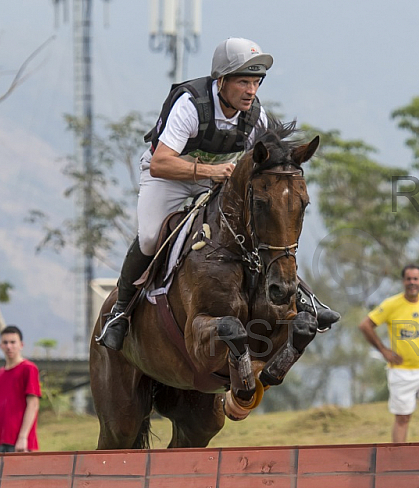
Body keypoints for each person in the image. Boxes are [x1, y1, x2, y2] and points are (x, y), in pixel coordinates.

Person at [97, 37, 338, 351]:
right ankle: (121, 312)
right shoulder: (191, 105)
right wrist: (210, 172)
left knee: (261, 227)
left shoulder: (255, 116)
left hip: (219, 178)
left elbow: (266, 164)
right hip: (170, 177)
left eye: (256, 82)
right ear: (221, 81)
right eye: (243, 82)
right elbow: (160, 163)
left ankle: (304, 296)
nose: (251, 91)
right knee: (149, 237)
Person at [359, 264, 419, 443]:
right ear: (403, 281)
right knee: (403, 417)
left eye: (416, 279)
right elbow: (365, 325)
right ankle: (399, 462)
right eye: (408, 279)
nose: (412, 283)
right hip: (401, 371)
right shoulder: (391, 304)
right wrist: (383, 350)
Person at [0, 326, 41, 453]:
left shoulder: (29, 369)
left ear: (21, 345)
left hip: (19, 444)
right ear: (0, 345)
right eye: (5, 342)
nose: (9, 346)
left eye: (13, 342)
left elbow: (33, 404)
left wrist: (23, 437)